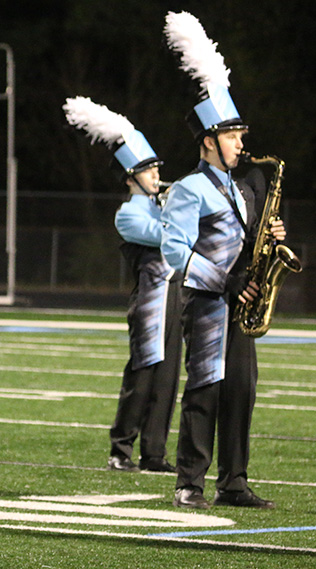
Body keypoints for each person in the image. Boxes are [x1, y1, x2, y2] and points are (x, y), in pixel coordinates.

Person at [162, 11, 283, 509]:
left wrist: (270, 238)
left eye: (240, 136)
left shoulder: (238, 188)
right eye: (233, 136)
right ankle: (189, 482)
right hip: (210, 304)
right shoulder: (189, 189)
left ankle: (234, 481)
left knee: (241, 394)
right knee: (205, 391)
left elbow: (245, 241)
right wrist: (228, 283)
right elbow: (175, 251)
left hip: (242, 304)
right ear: (209, 140)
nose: (241, 144)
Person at [64, 96, 181, 474]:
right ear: (131, 178)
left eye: (156, 168)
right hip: (150, 301)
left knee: (167, 379)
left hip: (174, 297)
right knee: (143, 376)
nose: (156, 175)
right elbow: (171, 238)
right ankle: (121, 448)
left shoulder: (160, 204)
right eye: (148, 171)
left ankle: (155, 453)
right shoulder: (129, 214)